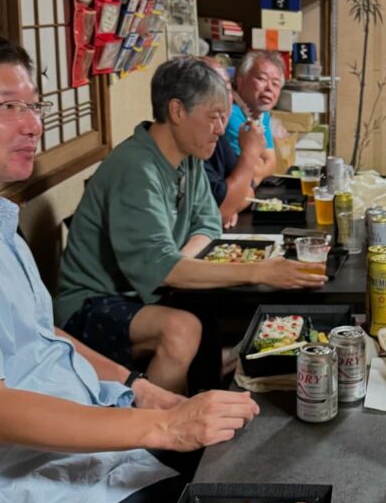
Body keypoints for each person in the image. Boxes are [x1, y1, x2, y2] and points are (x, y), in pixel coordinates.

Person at [0, 29, 258, 503]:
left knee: (246, 453)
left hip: (76, 434)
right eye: (4, 107)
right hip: (22, 492)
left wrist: (139, 389)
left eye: (33, 106)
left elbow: (44, 335)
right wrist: (163, 425)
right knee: (240, 501)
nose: (31, 124)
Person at [56, 57, 327, 393]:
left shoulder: (189, 158)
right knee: (181, 330)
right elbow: (162, 269)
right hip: (91, 302)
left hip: (143, 289)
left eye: (224, 117)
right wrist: (258, 271)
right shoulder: (137, 170)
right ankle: (160, 423)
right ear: (177, 111)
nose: (221, 129)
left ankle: (205, 397)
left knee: (207, 306)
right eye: (214, 117)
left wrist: (179, 264)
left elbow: (209, 223)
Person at [202, 58, 266, 228]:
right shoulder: (192, 144)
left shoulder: (218, 134)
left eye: (227, 91)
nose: (224, 101)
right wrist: (251, 151)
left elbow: (247, 185)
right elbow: (221, 210)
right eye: (214, 91)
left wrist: (233, 202)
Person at [224, 51, 287, 182]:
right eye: (262, 79)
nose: (269, 88)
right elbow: (253, 173)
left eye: (275, 84)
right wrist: (261, 165)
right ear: (240, 80)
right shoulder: (229, 114)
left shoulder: (262, 114)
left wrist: (262, 166)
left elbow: (271, 163)